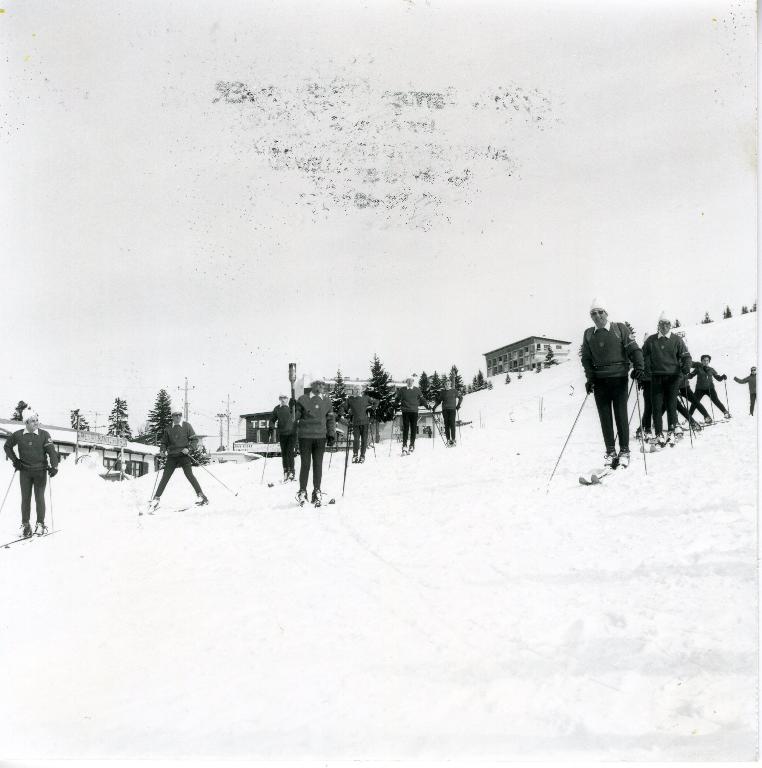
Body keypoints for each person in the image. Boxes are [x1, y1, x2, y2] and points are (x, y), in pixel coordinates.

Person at [581, 297, 644, 467]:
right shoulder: (588, 334)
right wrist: (590, 378)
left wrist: (639, 367)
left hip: (618, 379)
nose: (597, 316)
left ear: (606, 313)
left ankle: (624, 451)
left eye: (600, 312)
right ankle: (610, 452)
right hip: (600, 381)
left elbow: (634, 349)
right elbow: (586, 359)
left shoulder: (619, 328)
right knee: (605, 418)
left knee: (620, 415)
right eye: (593, 313)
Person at [3, 409, 58, 537]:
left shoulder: (44, 435)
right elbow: (7, 446)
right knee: (25, 499)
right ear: (26, 422)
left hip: (40, 472)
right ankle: (26, 525)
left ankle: (40, 524)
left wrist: (54, 466)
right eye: (33, 421)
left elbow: (51, 452)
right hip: (25, 472)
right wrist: (15, 460)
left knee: (39, 498)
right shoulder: (18, 435)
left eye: (37, 420)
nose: (36, 423)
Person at [643, 312, 692, 447]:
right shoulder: (651, 340)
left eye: (667, 324)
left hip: (673, 377)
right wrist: (640, 370)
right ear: (658, 325)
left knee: (671, 405)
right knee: (656, 406)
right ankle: (659, 434)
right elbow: (642, 356)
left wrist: (686, 366)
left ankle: (671, 432)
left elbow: (686, 356)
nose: (664, 326)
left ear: (670, 325)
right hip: (656, 377)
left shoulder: (677, 340)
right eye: (661, 324)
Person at [148, 409, 208, 510]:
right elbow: (164, 443)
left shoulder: (187, 426)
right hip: (172, 456)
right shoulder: (168, 428)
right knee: (165, 477)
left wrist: (189, 449)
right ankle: (156, 499)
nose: (178, 417)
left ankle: (202, 496)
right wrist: (162, 450)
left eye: (180, 415)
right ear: (172, 416)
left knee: (189, 475)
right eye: (176, 415)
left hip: (184, 455)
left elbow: (194, 440)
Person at [295, 380, 336, 506]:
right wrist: (293, 409)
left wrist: (331, 434)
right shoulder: (303, 399)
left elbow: (330, 419)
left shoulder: (327, 401)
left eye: (322, 384)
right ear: (312, 385)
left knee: (318, 465)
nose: (320, 386)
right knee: (305, 464)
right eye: (317, 384)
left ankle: (317, 491)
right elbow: (294, 418)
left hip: (320, 437)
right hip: (305, 437)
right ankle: (302, 492)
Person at [688, 355, 731, 421]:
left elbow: (718, 378)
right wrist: (685, 374)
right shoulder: (698, 368)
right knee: (695, 403)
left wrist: (723, 377)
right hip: (699, 389)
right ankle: (688, 417)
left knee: (716, 401)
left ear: (709, 361)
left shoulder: (711, 369)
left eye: (707, 360)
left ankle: (726, 413)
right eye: (704, 360)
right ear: (701, 361)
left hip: (710, 388)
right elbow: (690, 376)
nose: (705, 362)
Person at [342, 385, 378, 463]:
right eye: (356, 389)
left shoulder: (366, 398)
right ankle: (355, 455)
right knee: (356, 440)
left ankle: (362, 456)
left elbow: (376, 402)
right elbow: (344, 407)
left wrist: (371, 409)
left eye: (359, 389)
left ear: (361, 390)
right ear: (353, 390)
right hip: (355, 423)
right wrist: (346, 412)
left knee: (364, 440)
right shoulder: (350, 399)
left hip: (365, 422)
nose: (357, 391)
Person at [394, 377, 428, 455]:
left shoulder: (417, 390)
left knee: (413, 428)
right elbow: (397, 399)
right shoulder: (402, 390)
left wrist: (427, 405)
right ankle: (404, 446)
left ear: (413, 381)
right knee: (405, 428)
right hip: (405, 411)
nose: (409, 382)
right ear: (406, 381)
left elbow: (422, 399)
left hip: (414, 411)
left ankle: (412, 445)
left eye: (411, 381)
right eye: (408, 381)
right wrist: (394, 405)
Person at [268, 394, 296, 481]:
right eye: (281, 398)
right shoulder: (277, 408)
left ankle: (292, 472)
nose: (283, 400)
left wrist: (295, 405)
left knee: (290, 452)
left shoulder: (292, 407)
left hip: (292, 433)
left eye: (285, 398)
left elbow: (299, 413)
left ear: (287, 399)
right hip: (282, 433)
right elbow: (272, 419)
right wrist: (271, 426)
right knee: (284, 453)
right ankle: (285, 472)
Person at [432, 379, 464, 446]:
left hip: (452, 409)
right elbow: (439, 401)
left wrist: (458, 405)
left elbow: (460, 397)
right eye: (446, 384)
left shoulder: (454, 391)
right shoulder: (442, 392)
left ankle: (453, 440)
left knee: (452, 424)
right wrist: (434, 407)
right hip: (445, 410)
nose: (447, 385)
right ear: (444, 385)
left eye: (448, 384)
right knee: (446, 425)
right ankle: (448, 440)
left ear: (450, 384)